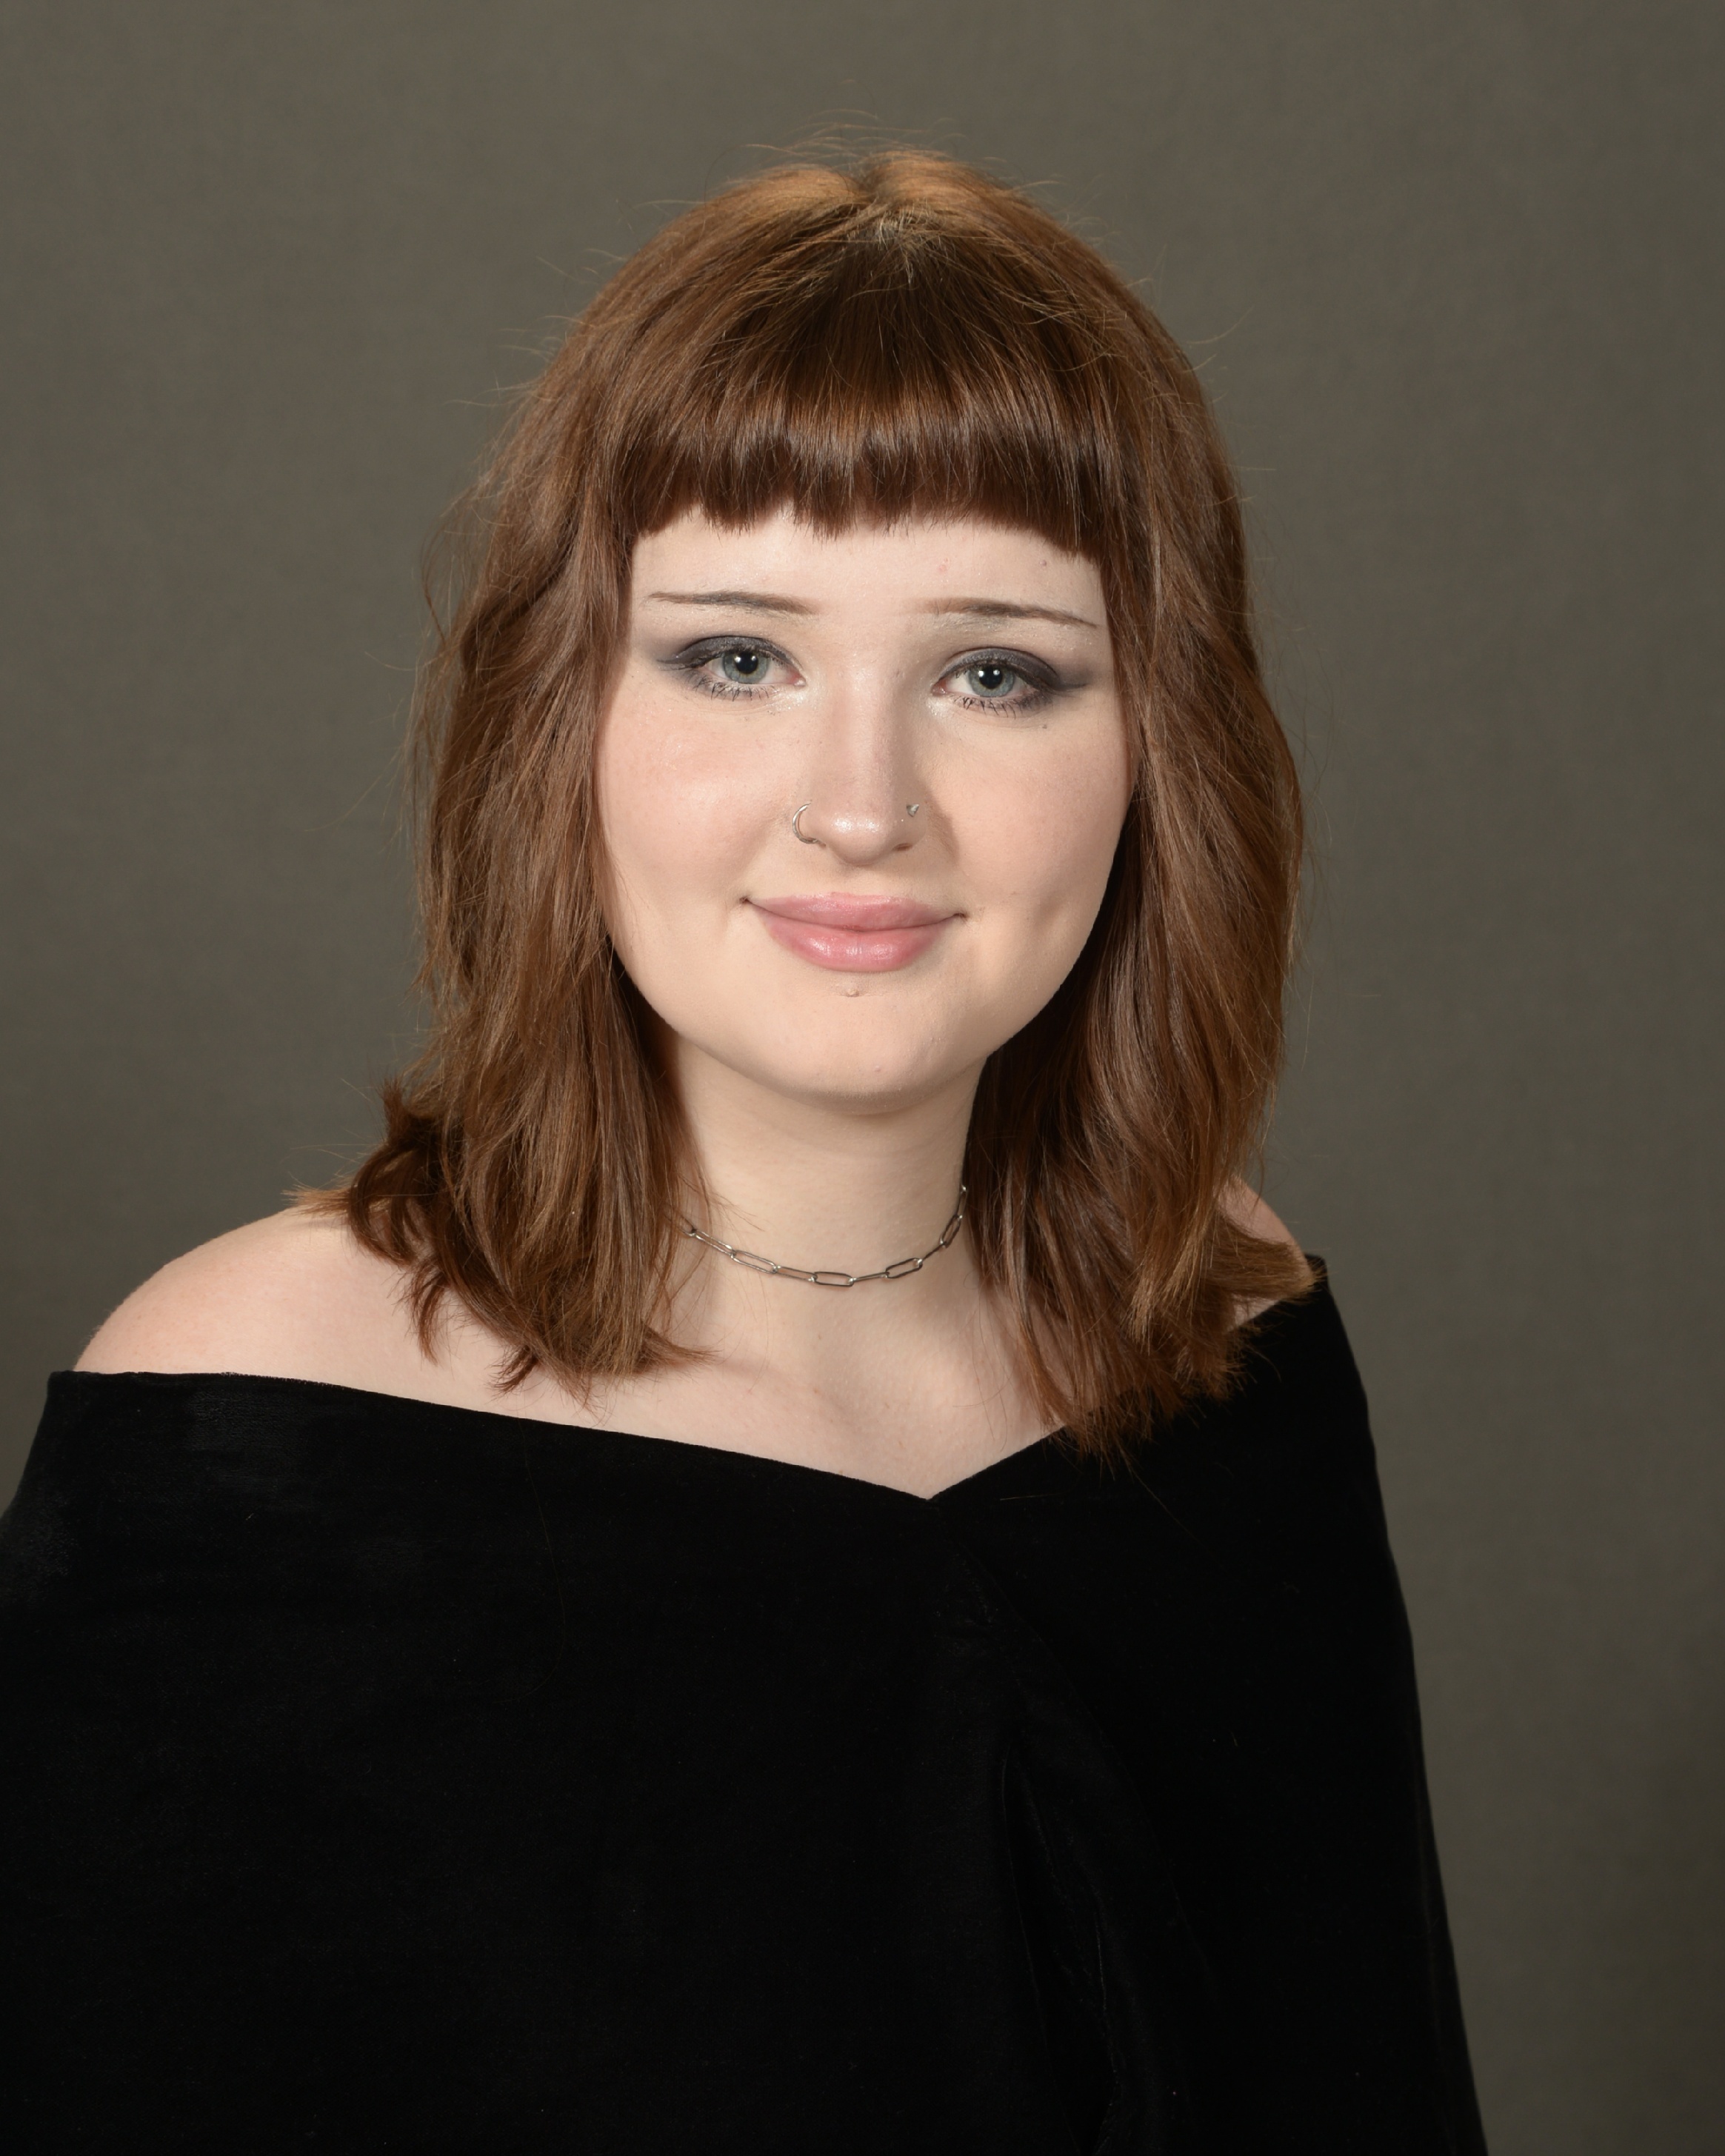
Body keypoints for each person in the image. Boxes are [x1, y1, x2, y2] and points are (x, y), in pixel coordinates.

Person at [0, 154, 1486, 2153]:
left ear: (1157, 751)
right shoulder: (246, 1435)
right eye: (735, 658)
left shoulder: (1226, 1326)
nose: (861, 808)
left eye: (993, 672)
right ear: (562, 720)